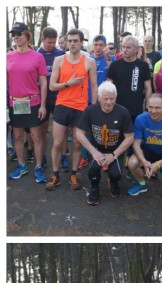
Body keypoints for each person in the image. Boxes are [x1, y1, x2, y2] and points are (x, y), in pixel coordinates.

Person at [47, 28, 98, 192]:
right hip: (62, 106)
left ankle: (74, 174)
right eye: (70, 41)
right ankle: (55, 175)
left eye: (76, 41)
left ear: (82, 42)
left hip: (80, 108)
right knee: (57, 142)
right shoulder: (59, 60)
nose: (72, 44)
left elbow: (94, 85)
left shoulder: (89, 61)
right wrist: (69, 83)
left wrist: (95, 108)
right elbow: (52, 86)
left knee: (77, 144)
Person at [75, 82, 134, 205]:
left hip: (115, 149)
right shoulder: (90, 110)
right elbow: (79, 133)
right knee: (93, 170)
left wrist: (113, 155)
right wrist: (94, 152)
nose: (109, 102)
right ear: (98, 97)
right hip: (97, 148)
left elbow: (130, 137)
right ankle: (95, 187)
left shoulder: (123, 112)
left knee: (116, 174)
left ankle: (113, 181)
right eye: (105, 98)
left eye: (112, 99)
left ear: (116, 97)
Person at [7, 22, 49, 183]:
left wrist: (43, 105)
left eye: (19, 34)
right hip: (14, 104)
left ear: (27, 35)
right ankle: (22, 165)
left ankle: (38, 167)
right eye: (13, 34)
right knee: (17, 137)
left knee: (36, 136)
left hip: (33, 103)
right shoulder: (7, 57)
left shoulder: (37, 56)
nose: (16, 37)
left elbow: (43, 82)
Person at [127, 93, 162, 203]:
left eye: (157, 107)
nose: (153, 111)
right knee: (132, 162)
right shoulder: (140, 119)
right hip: (147, 150)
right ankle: (141, 184)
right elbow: (136, 144)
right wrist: (144, 161)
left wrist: (158, 164)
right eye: (150, 107)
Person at [37, 27, 66, 170]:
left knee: (62, 131)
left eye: (54, 42)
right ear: (42, 40)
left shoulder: (60, 54)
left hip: (59, 97)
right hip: (42, 98)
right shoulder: (37, 54)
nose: (52, 45)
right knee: (42, 130)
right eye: (49, 42)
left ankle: (64, 156)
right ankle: (42, 157)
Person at [107, 35, 152, 124]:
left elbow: (148, 88)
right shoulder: (115, 65)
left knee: (135, 135)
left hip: (136, 109)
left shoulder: (143, 66)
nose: (124, 49)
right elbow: (109, 87)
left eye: (128, 47)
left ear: (136, 49)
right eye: (123, 47)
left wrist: (148, 106)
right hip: (117, 108)